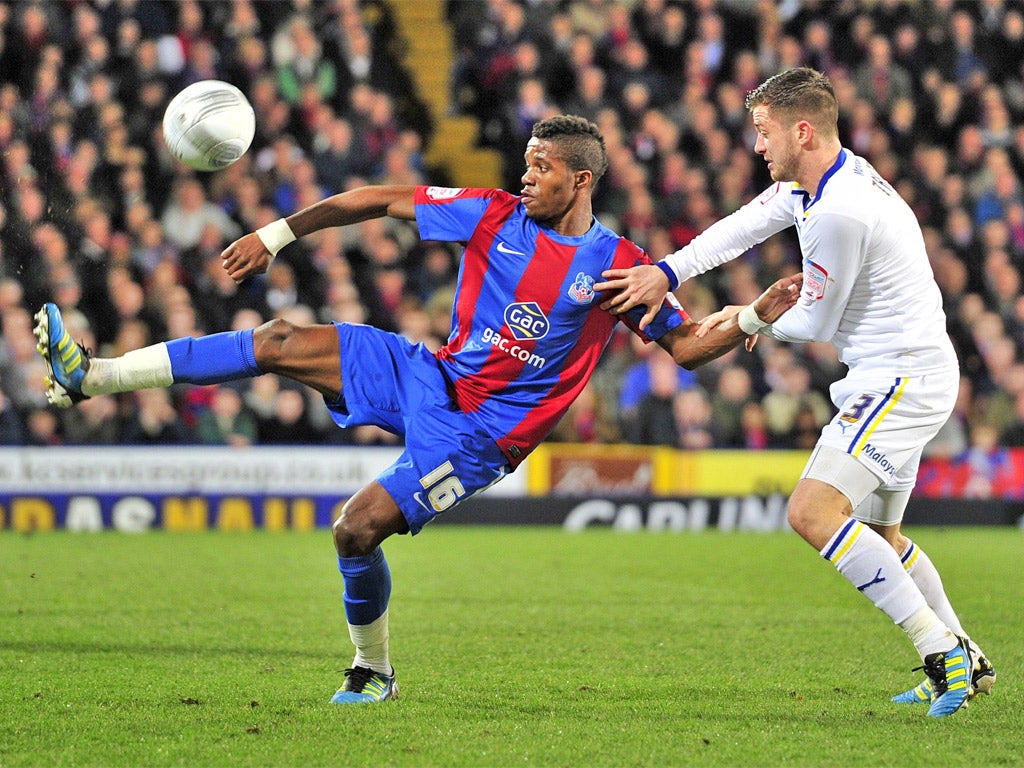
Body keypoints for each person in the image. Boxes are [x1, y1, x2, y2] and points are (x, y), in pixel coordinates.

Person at [33, 115, 801, 705]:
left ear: (584, 179)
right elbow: (377, 198)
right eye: (525, 163)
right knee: (275, 340)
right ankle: (90, 376)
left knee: (354, 527)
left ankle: (373, 672)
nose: (526, 177)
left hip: (480, 437)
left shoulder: (621, 266)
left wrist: (755, 319)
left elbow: (691, 346)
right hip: (430, 374)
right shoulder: (493, 214)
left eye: (543, 168)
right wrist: (276, 233)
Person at [594, 69, 994, 718]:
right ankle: (967, 660)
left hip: (898, 379)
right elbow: (741, 228)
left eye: (764, 132)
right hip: (906, 370)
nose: (757, 147)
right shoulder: (820, 184)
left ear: (802, 131)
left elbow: (817, 321)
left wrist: (745, 318)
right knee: (882, 535)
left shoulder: (839, 211)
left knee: (811, 513)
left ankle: (939, 647)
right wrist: (667, 271)